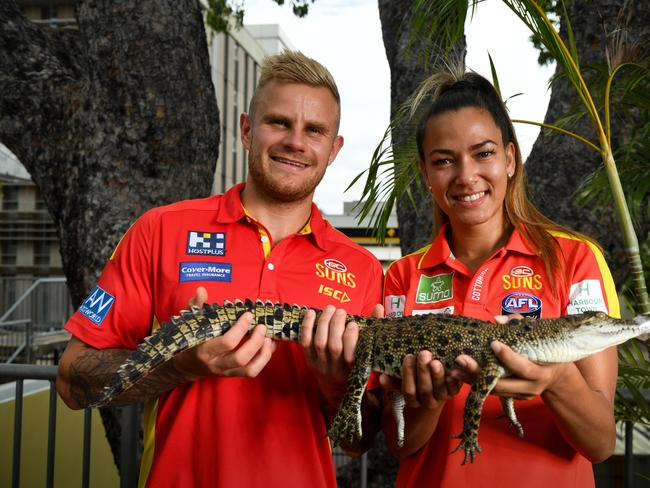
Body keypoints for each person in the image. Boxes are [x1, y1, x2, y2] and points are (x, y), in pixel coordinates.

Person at [56, 50, 384, 487]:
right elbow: (72, 380)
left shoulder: (360, 268)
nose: (296, 142)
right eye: (279, 123)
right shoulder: (161, 230)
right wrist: (180, 365)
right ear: (248, 129)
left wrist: (335, 383)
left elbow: (360, 442)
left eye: (315, 130)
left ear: (333, 149)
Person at [380, 71, 619, 487]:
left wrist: (556, 379)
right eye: (443, 160)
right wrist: (429, 400)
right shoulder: (402, 277)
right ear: (425, 173)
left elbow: (599, 442)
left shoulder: (576, 260)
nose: (466, 175)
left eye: (483, 153)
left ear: (510, 158)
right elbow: (402, 445)